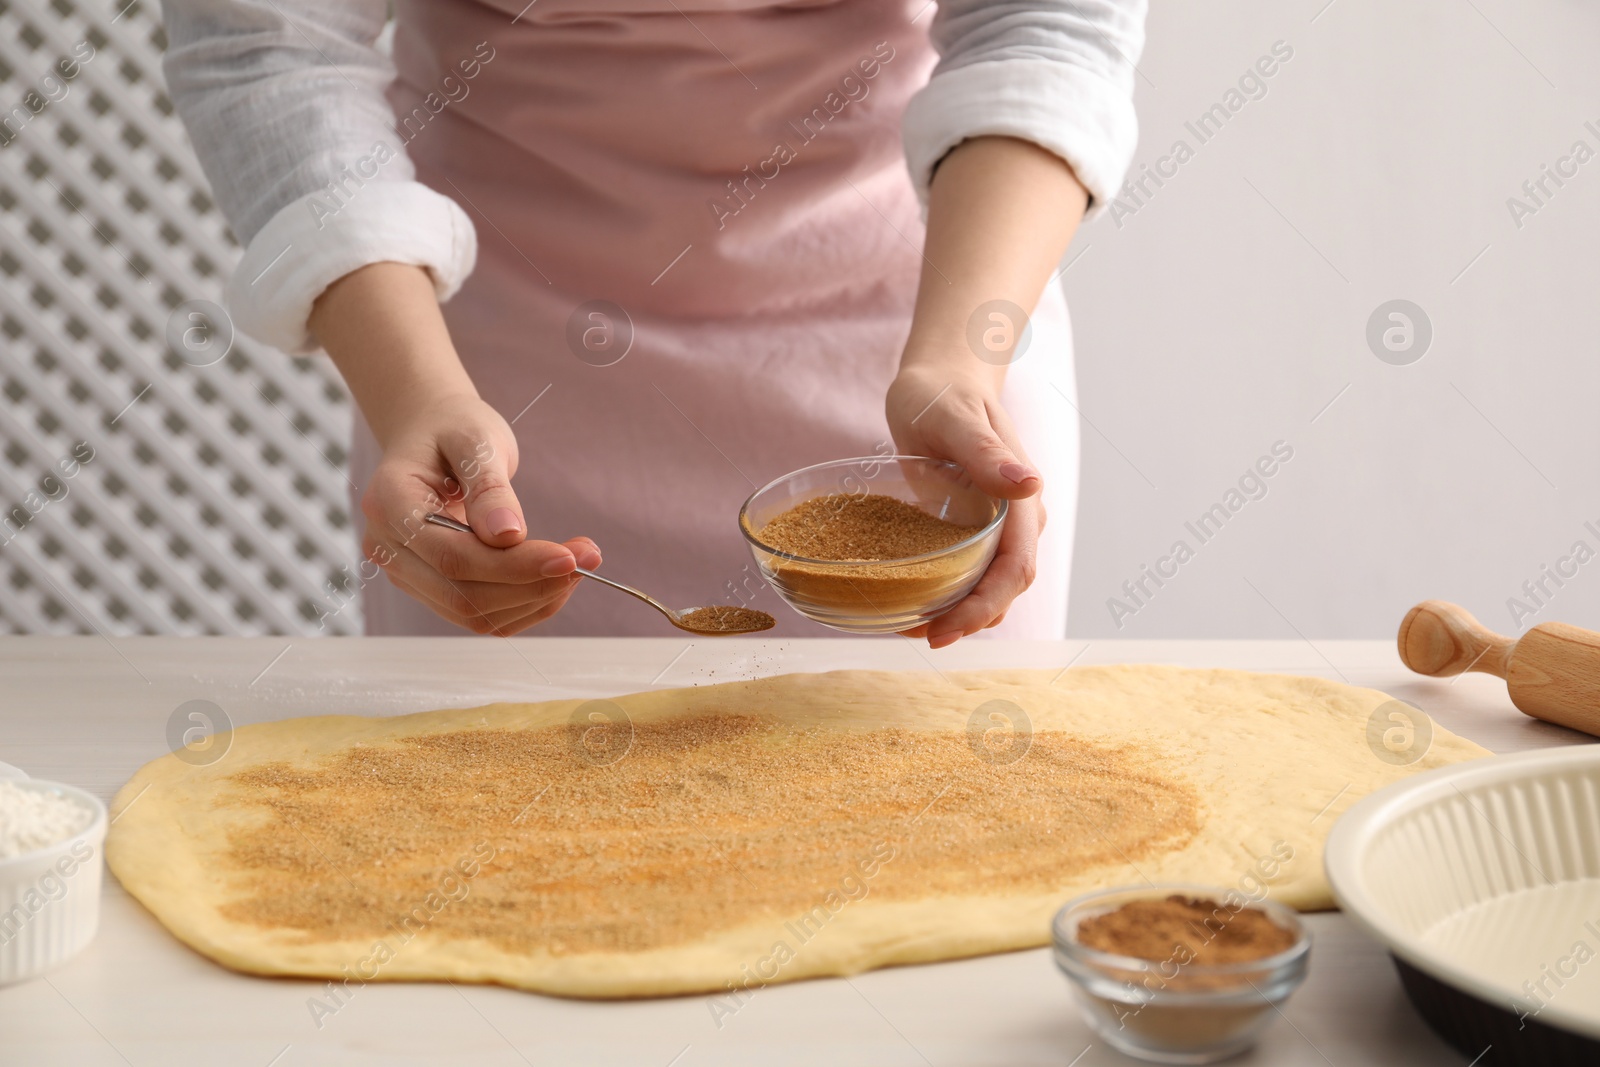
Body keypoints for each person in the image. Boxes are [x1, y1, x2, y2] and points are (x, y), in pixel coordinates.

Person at [161, 0, 1146, 644]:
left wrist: (958, 363)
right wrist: (416, 394)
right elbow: (270, 46)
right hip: (495, 386)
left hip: (925, 348)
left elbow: (1045, 23)